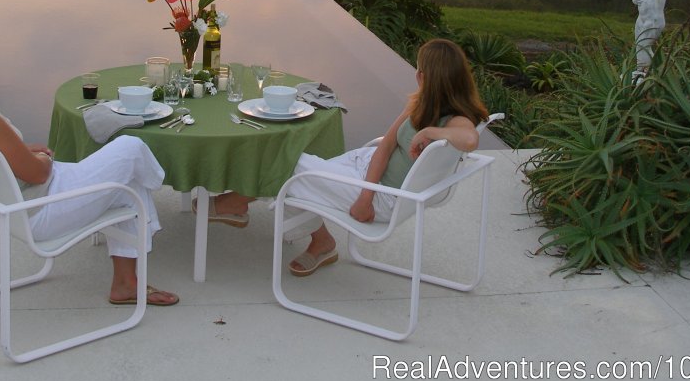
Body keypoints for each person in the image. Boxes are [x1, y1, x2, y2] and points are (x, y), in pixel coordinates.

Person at [0, 16, 178, 306]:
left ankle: (126, 283)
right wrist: (38, 159)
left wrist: (19, 151)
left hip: (0, 199)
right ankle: (160, 190)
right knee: (131, 148)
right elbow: (38, 174)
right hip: (37, 209)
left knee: (131, 181)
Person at [204, 38, 488, 277]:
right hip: (368, 169)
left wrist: (429, 132)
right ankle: (316, 239)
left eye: (418, 69)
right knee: (294, 173)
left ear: (425, 76)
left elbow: (470, 139)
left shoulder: (458, 120)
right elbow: (387, 146)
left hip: (382, 196)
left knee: (287, 164)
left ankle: (238, 201)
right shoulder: (420, 102)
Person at [628, 0, 669, 76]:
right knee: (639, 45)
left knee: (645, 45)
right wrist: (635, 0)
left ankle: (651, 72)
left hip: (654, 20)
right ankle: (641, 70)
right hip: (641, 19)